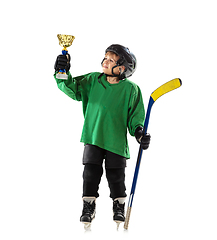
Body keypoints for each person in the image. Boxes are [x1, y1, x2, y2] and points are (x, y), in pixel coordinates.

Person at [54, 44, 151, 227]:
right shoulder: (93, 80)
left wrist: (139, 133)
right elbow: (70, 88)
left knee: (116, 176)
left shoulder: (131, 90)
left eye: (111, 60)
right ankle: (88, 206)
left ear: (122, 68)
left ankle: (119, 205)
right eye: (105, 57)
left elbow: (136, 117)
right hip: (93, 136)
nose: (105, 61)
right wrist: (62, 71)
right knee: (90, 173)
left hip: (115, 141)